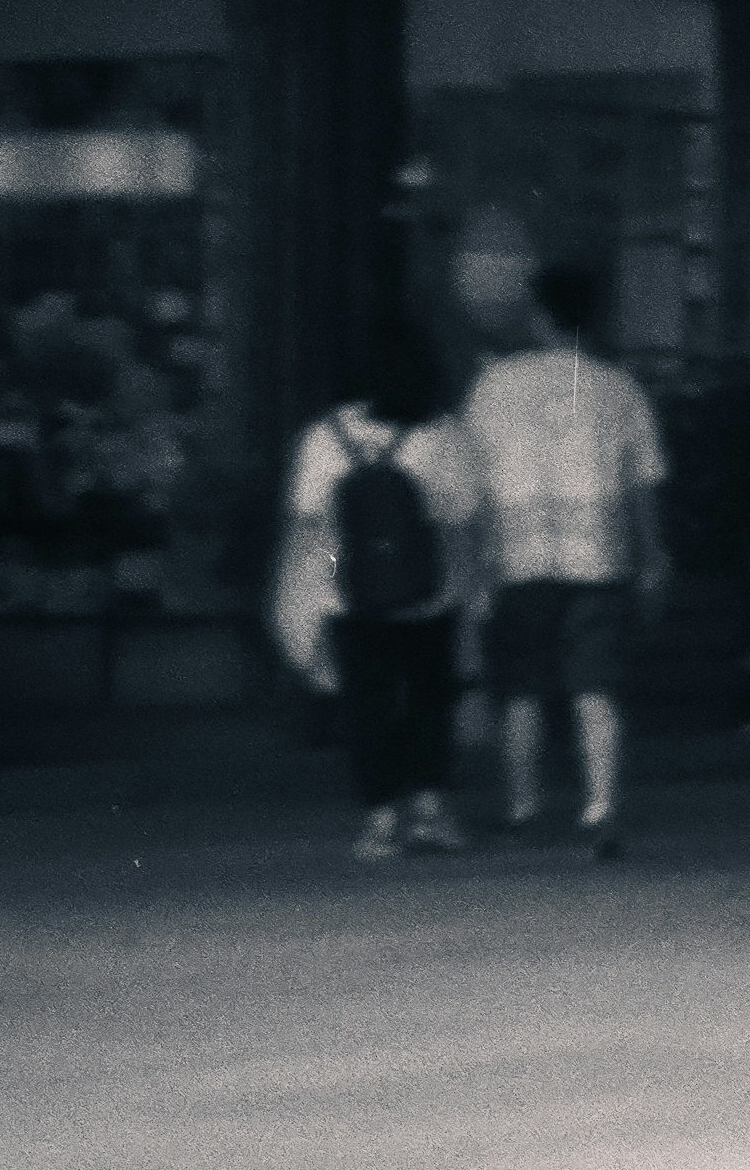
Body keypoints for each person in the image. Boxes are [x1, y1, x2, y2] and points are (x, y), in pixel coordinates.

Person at [461, 262, 671, 860]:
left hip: (515, 555)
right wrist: (651, 556)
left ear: (539, 313)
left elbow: (472, 482)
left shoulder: (493, 387)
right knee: (597, 683)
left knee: (521, 685)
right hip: (598, 554)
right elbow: (642, 482)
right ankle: (600, 805)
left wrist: (475, 562)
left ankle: (523, 807)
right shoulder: (618, 388)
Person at [275, 315, 485, 861]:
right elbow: (461, 526)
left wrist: (309, 594)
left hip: (351, 598)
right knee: (430, 701)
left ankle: (381, 819)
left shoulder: (325, 436)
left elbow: (308, 526)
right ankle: (431, 810)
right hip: (429, 597)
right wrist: (466, 595)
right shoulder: (443, 434)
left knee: (367, 707)